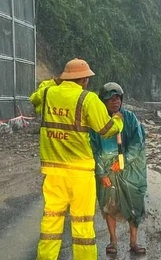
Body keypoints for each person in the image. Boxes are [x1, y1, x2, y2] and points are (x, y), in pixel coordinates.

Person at [29, 58, 124, 260]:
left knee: (51, 222)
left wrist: (55, 81)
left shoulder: (47, 93)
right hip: (80, 174)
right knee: (82, 224)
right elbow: (106, 130)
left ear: (65, 77)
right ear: (84, 80)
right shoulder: (87, 99)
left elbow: (35, 99)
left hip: (53, 173)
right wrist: (117, 121)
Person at [90, 82, 147, 255]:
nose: (115, 102)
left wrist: (124, 161)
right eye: (110, 99)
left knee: (134, 203)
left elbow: (138, 143)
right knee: (109, 205)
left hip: (129, 168)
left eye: (117, 98)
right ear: (103, 101)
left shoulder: (130, 118)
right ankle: (113, 241)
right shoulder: (98, 121)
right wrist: (101, 172)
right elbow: (93, 148)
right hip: (107, 168)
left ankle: (133, 242)